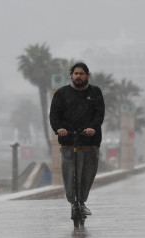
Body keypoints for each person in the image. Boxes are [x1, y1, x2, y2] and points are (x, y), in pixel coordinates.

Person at [49, 62, 105, 220]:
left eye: (81, 73)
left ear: (87, 75)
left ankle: (82, 201)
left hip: (90, 141)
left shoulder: (95, 92)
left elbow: (99, 114)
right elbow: (54, 115)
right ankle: (73, 202)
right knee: (69, 174)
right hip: (69, 141)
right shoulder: (61, 93)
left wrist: (93, 128)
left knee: (87, 174)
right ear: (71, 76)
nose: (78, 76)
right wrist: (59, 128)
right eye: (75, 73)